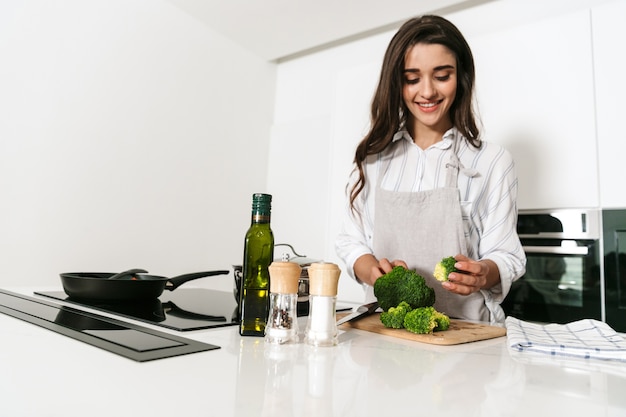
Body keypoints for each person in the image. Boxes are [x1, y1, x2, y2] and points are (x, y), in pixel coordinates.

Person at [335, 15, 526, 324]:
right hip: (386, 333)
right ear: (396, 83)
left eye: (441, 75)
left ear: (460, 77)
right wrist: (371, 269)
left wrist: (483, 274)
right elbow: (350, 241)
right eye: (412, 78)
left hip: (469, 337)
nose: (427, 92)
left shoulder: (492, 161)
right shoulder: (372, 160)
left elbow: (507, 255)